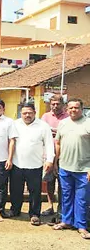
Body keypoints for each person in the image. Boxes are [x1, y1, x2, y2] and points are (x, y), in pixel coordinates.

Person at [9, 103, 54, 226]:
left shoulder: (43, 126)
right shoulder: (15, 124)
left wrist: (50, 160)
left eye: (30, 112)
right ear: (21, 113)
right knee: (15, 190)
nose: (27, 115)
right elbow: (11, 142)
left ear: (34, 112)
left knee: (35, 191)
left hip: (35, 165)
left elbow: (49, 144)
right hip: (17, 164)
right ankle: (15, 210)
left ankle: (34, 214)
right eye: (24, 113)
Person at [52, 98, 90, 239]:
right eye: (71, 108)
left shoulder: (88, 123)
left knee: (82, 199)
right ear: (67, 109)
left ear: (82, 108)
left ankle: (81, 226)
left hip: (84, 169)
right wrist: (56, 162)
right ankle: (66, 221)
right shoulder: (63, 123)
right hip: (65, 167)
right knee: (66, 196)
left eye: (76, 107)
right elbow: (58, 143)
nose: (73, 110)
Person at [41, 94, 68, 220]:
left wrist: (56, 132)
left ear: (63, 104)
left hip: (65, 155)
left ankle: (61, 209)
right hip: (48, 156)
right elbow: (42, 133)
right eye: (53, 104)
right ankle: (50, 206)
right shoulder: (45, 117)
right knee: (49, 182)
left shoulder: (68, 117)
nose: (55, 106)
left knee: (63, 184)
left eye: (58, 104)